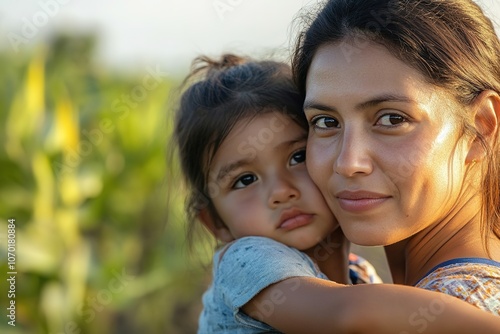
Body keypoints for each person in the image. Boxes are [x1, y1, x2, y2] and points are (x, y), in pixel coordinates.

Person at [172, 53, 500, 333]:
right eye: (244, 180)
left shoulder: (360, 275)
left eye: (297, 157)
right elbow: (350, 314)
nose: (281, 192)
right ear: (214, 222)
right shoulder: (247, 260)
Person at [292, 0, 500, 314]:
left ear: (481, 127)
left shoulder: (456, 310)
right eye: (326, 122)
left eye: (392, 119)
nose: (348, 162)